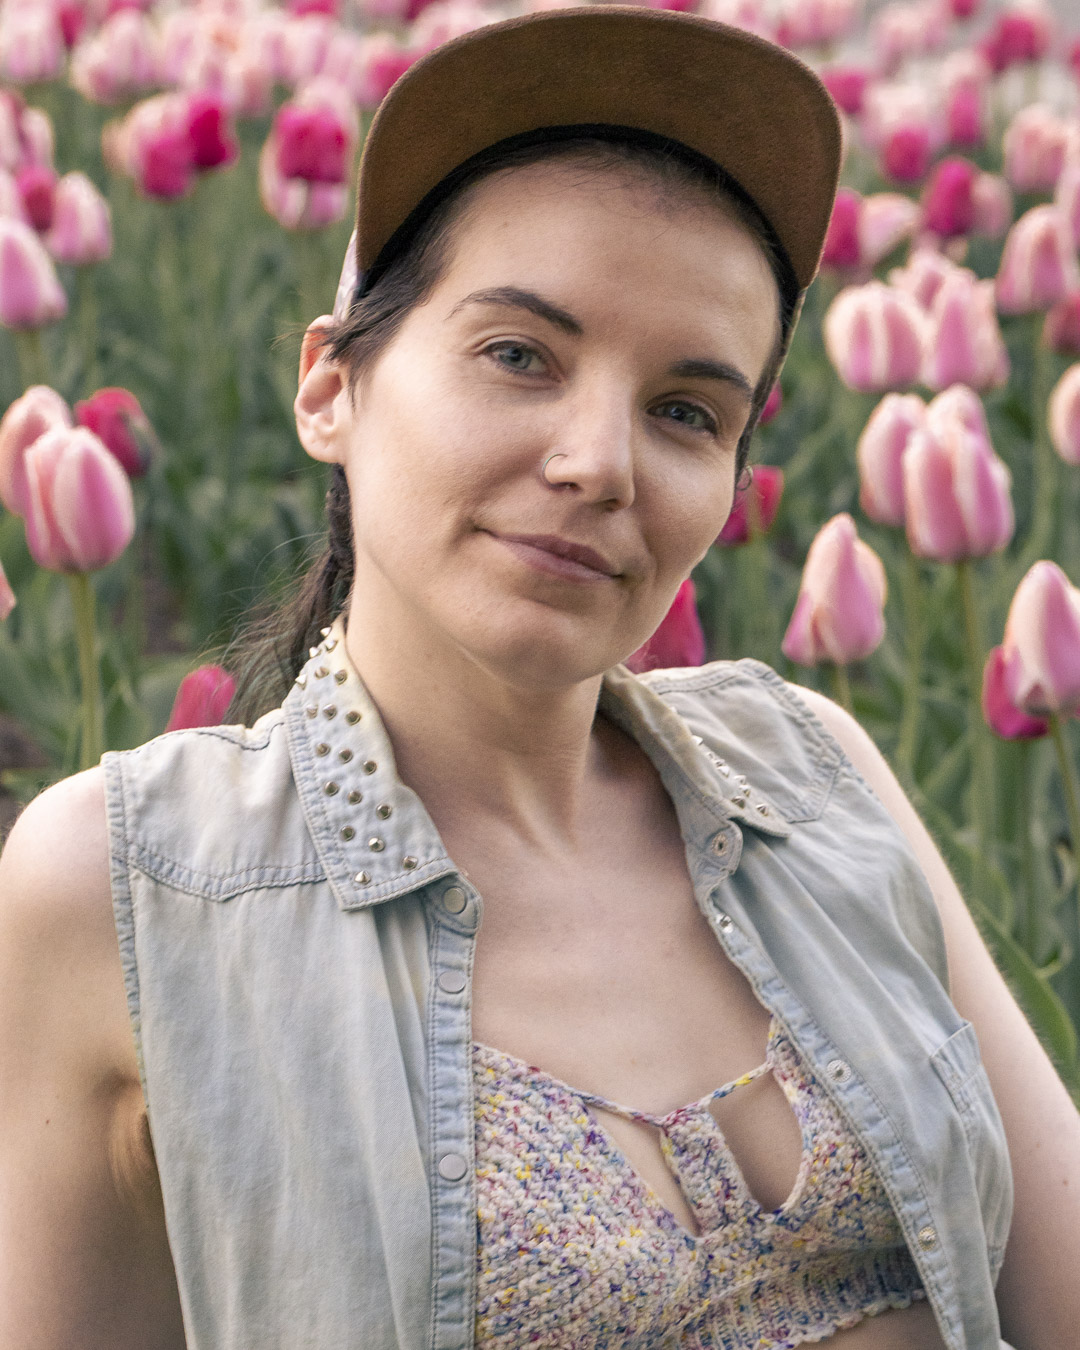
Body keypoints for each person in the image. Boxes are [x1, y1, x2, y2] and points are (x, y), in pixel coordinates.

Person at [1, 7, 1078, 1349]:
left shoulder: (812, 770)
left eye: (685, 410)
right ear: (330, 387)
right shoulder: (134, 883)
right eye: (519, 354)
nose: (600, 462)